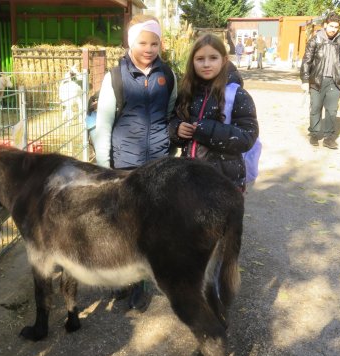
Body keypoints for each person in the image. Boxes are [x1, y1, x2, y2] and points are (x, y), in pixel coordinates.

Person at [91, 14, 177, 311]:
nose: (149, 48)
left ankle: (140, 282)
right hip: (123, 164)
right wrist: (105, 168)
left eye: (154, 43)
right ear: (130, 43)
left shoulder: (168, 75)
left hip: (157, 164)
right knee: (123, 225)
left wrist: (169, 148)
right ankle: (122, 279)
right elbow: (103, 125)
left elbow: (169, 114)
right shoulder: (115, 77)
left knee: (150, 225)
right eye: (143, 42)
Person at [168, 33, 259, 192]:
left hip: (225, 182)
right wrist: (177, 129)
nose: (206, 64)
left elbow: (247, 137)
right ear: (192, 62)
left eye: (213, 58)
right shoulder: (188, 92)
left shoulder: (237, 95)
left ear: (224, 60)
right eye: (200, 59)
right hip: (191, 178)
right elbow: (175, 119)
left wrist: (206, 130)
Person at [300, 12, 340, 149]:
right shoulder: (315, 40)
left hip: (334, 82)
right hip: (317, 80)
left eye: (336, 27)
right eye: (331, 26)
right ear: (325, 25)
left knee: (332, 110)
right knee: (315, 107)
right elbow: (307, 61)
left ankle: (329, 138)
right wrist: (305, 80)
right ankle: (314, 134)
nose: (333, 29)